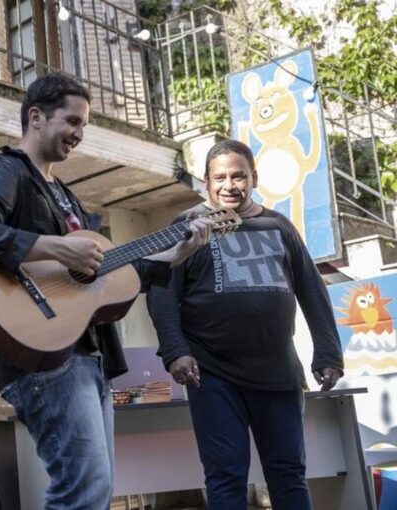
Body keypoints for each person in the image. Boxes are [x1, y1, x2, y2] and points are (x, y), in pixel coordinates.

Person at [0, 73, 211, 509]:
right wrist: (57, 248)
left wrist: (178, 252)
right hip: (46, 357)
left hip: (87, 357)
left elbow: (109, 275)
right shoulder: (7, 170)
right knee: (83, 492)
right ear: (36, 117)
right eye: (71, 121)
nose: (78, 134)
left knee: (95, 493)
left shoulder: (66, 196)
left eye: (83, 125)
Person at [146, 139, 345, 510]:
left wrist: (328, 353)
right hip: (212, 373)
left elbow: (312, 290)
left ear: (254, 177)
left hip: (278, 371)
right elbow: (160, 291)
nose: (229, 185)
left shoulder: (279, 225)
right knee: (225, 476)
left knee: (288, 474)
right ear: (206, 181)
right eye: (220, 177)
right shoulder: (188, 225)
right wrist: (176, 352)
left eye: (239, 176)